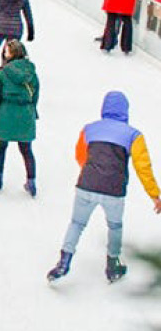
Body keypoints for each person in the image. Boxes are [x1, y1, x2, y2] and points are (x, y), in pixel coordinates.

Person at [49, 91, 161, 284]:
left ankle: (64, 261)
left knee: (77, 223)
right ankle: (113, 264)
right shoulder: (133, 135)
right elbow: (143, 167)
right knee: (115, 226)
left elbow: (80, 156)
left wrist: (93, 172)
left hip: (87, 185)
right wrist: (155, 195)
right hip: (114, 190)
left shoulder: (89, 129)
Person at [0, 39, 39, 196]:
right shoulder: (31, 72)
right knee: (26, 150)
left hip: (6, 113)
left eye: (6, 51)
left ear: (12, 53)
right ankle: (31, 181)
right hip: (25, 113)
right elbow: (35, 95)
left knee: (1, 147)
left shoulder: (2, 73)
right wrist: (32, 111)